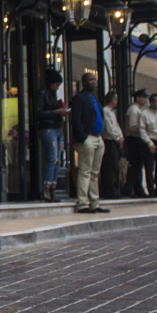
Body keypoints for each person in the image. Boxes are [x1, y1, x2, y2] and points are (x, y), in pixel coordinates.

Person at [69, 72, 109, 214]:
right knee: (85, 171)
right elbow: (76, 120)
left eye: (95, 79)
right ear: (84, 82)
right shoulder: (79, 98)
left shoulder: (94, 99)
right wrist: (83, 137)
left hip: (98, 138)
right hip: (88, 138)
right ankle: (82, 203)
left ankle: (94, 202)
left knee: (94, 172)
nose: (94, 82)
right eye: (90, 80)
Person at [34, 69, 69, 202]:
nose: (57, 87)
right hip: (48, 128)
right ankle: (47, 189)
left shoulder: (52, 95)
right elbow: (38, 113)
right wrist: (56, 112)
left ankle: (53, 187)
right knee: (52, 158)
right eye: (56, 84)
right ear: (51, 83)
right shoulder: (42, 94)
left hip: (56, 128)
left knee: (57, 159)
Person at [124, 89, 153, 199]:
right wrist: (144, 131)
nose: (146, 100)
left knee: (138, 165)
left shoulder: (138, 110)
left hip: (137, 139)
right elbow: (132, 127)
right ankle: (128, 188)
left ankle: (138, 189)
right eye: (144, 97)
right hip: (134, 139)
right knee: (135, 165)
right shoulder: (133, 110)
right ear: (137, 98)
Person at [99, 91, 124, 200]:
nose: (116, 102)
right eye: (116, 99)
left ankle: (113, 189)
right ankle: (108, 190)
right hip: (109, 141)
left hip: (114, 141)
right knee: (109, 167)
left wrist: (121, 136)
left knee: (114, 167)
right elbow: (109, 127)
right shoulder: (105, 111)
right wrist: (117, 137)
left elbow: (116, 126)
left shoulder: (112, 112)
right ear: (112, 100)